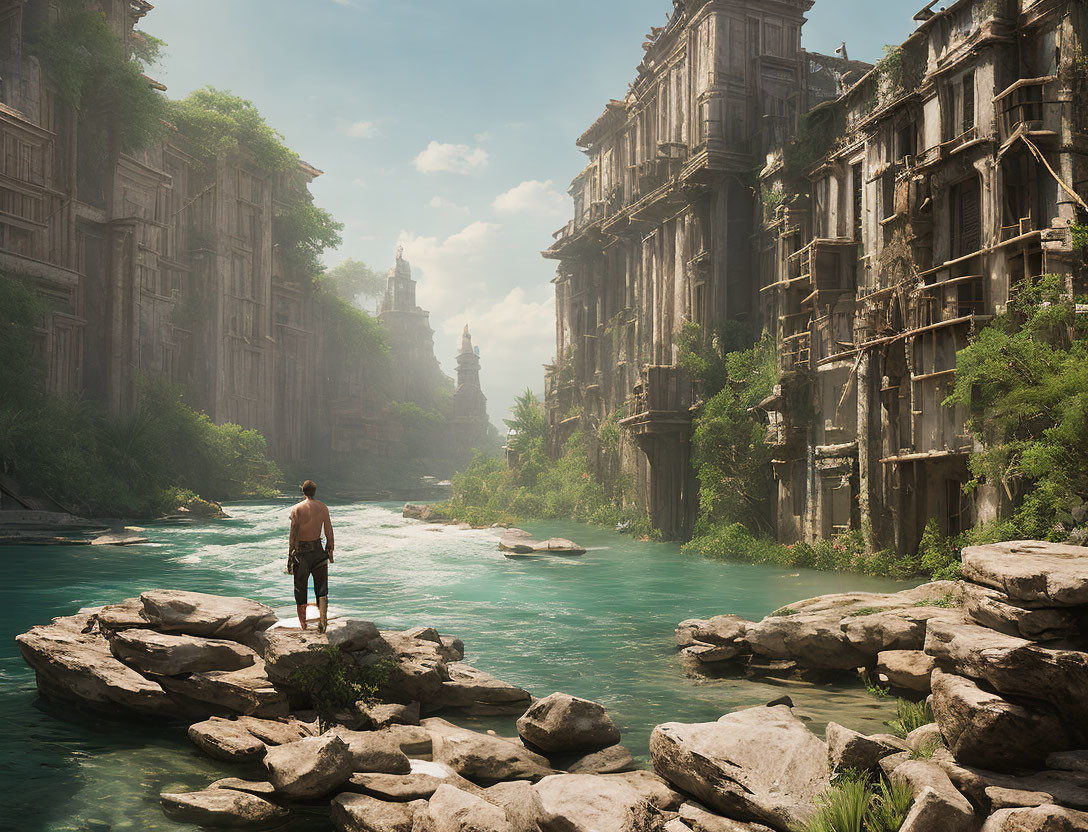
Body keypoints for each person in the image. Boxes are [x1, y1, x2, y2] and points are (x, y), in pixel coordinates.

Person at [288, 480, 335, 632]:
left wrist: (290, 556)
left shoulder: (297, 509)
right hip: (318, 552)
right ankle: (323, 622)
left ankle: (303, 625)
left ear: (303, 491)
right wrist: (330, 550)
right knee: (321, 588)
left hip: (301, 554)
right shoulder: (323, 507)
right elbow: (329, 530)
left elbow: (293, 533)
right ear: (315, 491)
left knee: (300, 589)